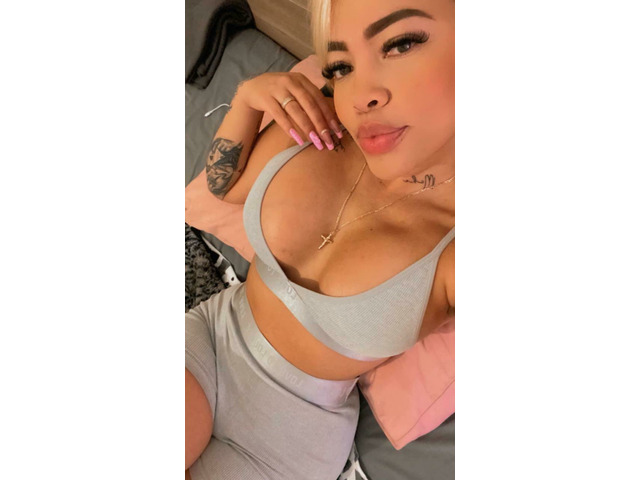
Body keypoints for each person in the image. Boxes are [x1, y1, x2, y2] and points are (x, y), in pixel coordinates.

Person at [185, 0, 455, 478]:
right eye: (341, 67)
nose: (360, 96)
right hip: (211, 339)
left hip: (291, 437)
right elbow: (225, 185)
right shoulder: (321, 126)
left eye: (401, 44)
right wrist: (247, 99)